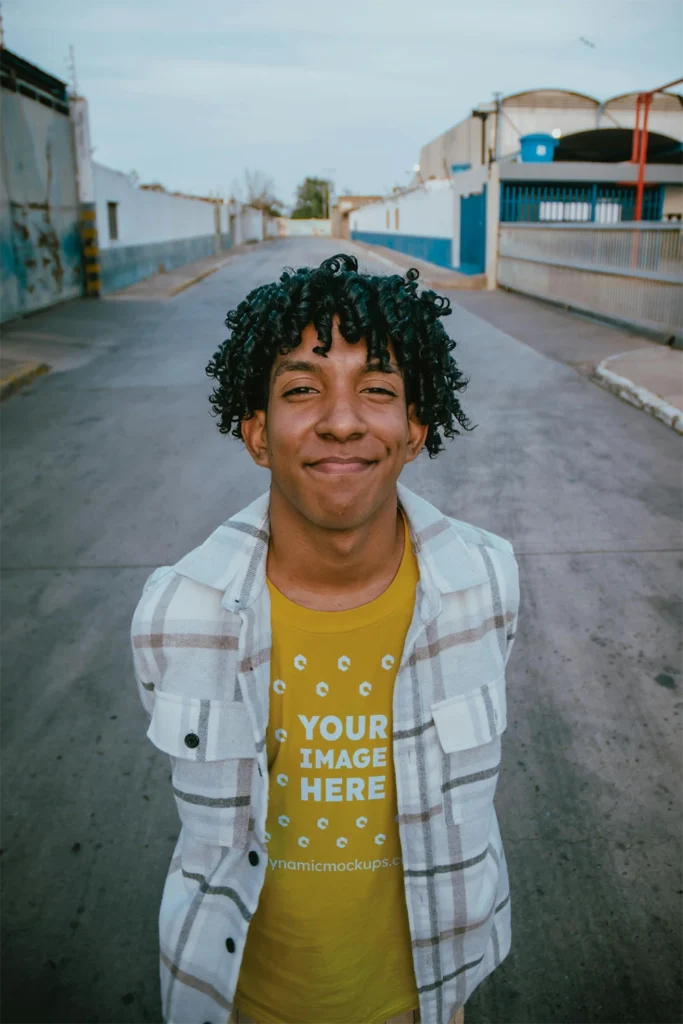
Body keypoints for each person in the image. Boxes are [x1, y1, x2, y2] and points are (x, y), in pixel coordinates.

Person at [131, 253, 520, 1024]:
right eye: (301, 389)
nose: (341, 420)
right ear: (255, 433)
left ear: (414, 429)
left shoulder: (485, 581)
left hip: (428, 998)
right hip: (237, 1002)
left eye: (376, 389)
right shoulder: (178, 612)